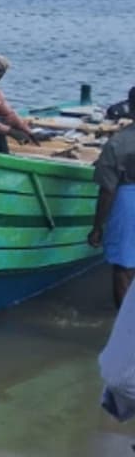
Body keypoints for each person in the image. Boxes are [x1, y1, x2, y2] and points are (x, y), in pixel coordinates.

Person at [90, 87, 135, 307]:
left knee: (124, 267)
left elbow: (107, 189)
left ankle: (125, 326)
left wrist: (97, 227)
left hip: (129, 200)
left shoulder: (118, 142)